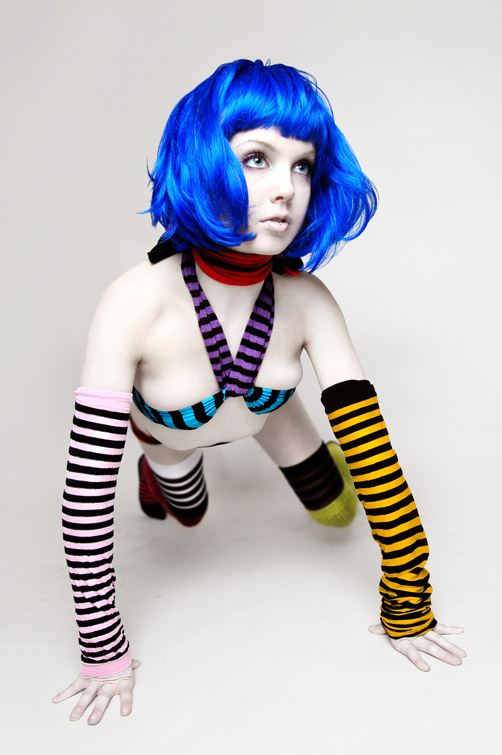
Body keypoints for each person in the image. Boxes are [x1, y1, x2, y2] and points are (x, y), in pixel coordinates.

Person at [52, 59, 466, 726]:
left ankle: (288, 459)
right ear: (203, 158)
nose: (286, 189)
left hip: (269, 413)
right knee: (188, 514)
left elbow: (378, 457)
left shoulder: (307, 300)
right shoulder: (132, 302)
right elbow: (83, 503)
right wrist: (104, 654)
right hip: (174, 434)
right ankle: (159, 468)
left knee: (340, 512)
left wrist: (408, 607)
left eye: (303, 166)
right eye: (257, 159)